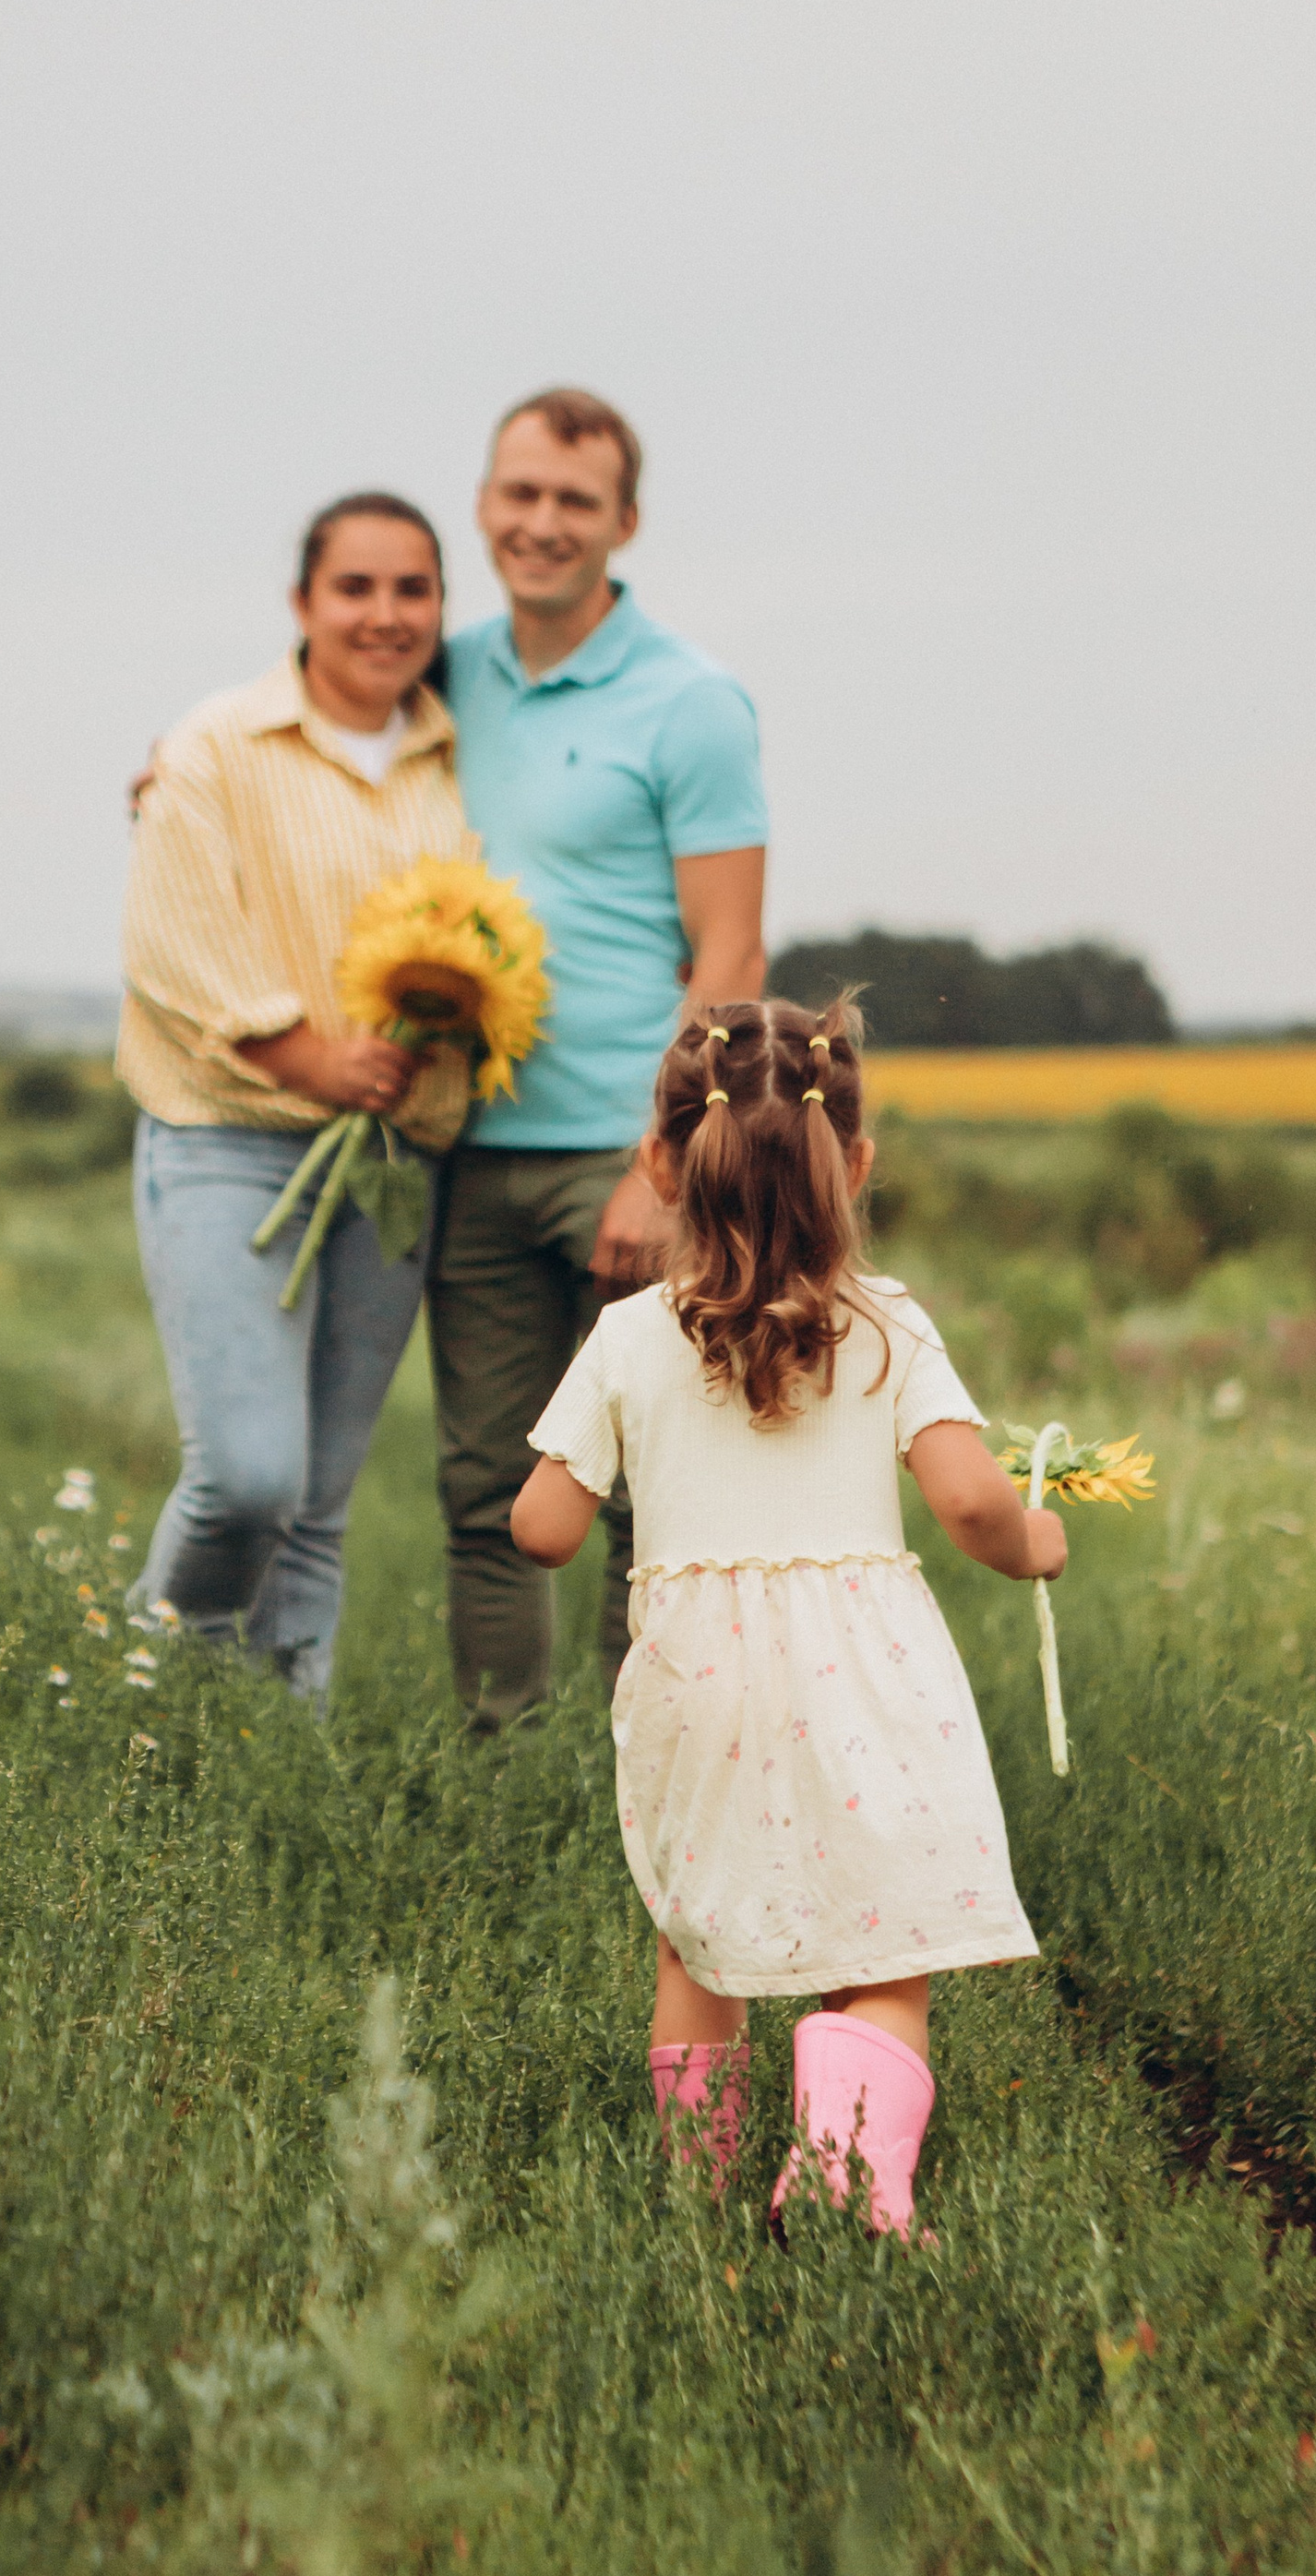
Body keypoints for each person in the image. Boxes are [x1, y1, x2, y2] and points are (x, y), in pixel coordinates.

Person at [509, 998, 1064, 2236]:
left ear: (659, 1165)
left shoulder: (625, 1339)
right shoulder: (888, 1323)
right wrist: (1040, 1542)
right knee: (884, 1948)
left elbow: (541, 1529)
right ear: (855, 1165)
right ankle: (842, 2167)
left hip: (694, 1679)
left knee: (697, 1947)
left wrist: (594, 1463)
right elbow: (972, 1501)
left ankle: (701, 2205)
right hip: (864, 1672)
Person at [435, 389, 769, 1728]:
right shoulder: (442, 676)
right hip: (469, 1153)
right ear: (483, 505)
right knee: (485, 1491)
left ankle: (655, 1775)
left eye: (576, 501)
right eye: (520, 494)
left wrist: (666, 1166)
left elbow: (732, 954)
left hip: (623, 1157)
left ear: (623, 522)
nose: (543, 523)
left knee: (650, 1484)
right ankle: (500, 1777)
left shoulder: (691, 702)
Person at [115, 494, 469, 1703]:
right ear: (303, 603)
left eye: (412, 589)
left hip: (395, 1162)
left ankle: (279, 1755)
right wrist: (302, 1053)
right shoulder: (217, 744)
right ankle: (162, 1711)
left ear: (441, 608)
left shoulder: (464, 752)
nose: (384, 614)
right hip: (231, 1140)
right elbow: (172, 934)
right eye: (355, 587)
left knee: (317, 1503)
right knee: (248, 1479)